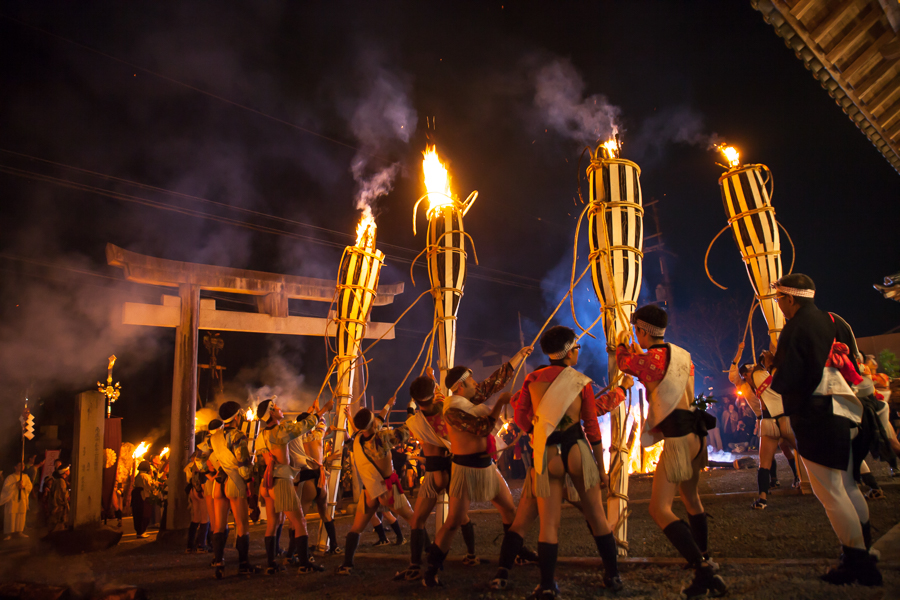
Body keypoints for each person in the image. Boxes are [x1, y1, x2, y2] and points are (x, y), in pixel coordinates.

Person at [762, 274, 880, 586]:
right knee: (849, 485)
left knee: (830, 491)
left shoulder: (795, 328)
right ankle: (865, 551)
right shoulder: (835, 320)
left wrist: (772, 364)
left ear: (790, 299)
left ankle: (857, 562)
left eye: (779, 299)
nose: (778, 304)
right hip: (850, 409)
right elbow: (855, 361)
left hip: (818, 414)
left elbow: (786, 379)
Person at [505, 326, 627, 598]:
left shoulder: (532, 379)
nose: (577, 352)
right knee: (597, 516)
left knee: (549, 524)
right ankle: (613, 575)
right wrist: (602, 469)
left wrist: (536, 431)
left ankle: (547, 585)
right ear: (569, 352)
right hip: (577, 449)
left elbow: (520, 417)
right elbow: (592, 426)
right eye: (576, 348)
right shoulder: (580, 381)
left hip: (548, 452)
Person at [617, 305, 726, 599]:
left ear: (642, 331)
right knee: (691, 499)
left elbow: (625, 363)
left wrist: (621, 343)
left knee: (659, 509)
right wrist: (634, 347)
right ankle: (704, 555)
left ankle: (703, 569)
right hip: (696, 436)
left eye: (637, 331)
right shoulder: (682, 355)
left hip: (678, 439)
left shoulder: (651, 359)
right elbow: (651, 373)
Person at [422, 345, 533, 588]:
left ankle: (517, 551)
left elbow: (493, 383)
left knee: (509, 509)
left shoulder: (467, 398)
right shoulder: (452, 409)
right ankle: (431, 570)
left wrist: (519, 356)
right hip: (465, 470)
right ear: (461, 386)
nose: (477, 384)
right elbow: (482, 428)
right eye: (472, 381)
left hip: (487, 466)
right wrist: (499, 404)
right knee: (453, 521)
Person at [393, 369, 489, 582]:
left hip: (433, 469)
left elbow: (401, 432)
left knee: (418, 520)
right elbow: (438, 392)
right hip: (453, 465)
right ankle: (471, 555)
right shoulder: (447, 408)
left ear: (417, 400)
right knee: (461, 516)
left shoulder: (415, 422)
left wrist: (412, 405)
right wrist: (433, 377)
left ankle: (414, 566)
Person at [337, 397, 415, 575]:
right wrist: (411, 409)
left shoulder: (357, 439)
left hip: (369, 491)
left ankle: (347, 565)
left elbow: (378, 419)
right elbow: (408, 430)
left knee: (356, 528)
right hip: (387, 489)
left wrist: (388, 405)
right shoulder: (382, 438)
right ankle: (427, 554)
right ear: (373, 424)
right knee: (414, 519)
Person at [256, 397, 331, 574]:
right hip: (281, 481)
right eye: (276, 407)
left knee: (272, 523)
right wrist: (323, 410)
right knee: (300, 522)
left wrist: (311, 412)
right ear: (271, 412)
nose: (280, 409)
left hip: (267, 482)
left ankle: (271, 564)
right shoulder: (281, 430)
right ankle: (304, 564)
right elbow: (304, 426)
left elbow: (300, 425)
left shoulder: (262, 435)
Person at [729, 343, 799, 509]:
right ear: (745, 375)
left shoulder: (762, 376)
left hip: (770, 419)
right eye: (749, 371)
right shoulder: (757, 378)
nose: (751, 372)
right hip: (771, 418)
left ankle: (766, 496)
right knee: (775, 455)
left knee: (776, 455)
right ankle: (774, 482)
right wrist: (740, 352)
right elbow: (733, 374)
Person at [202, 401, 259, 578]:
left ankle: (219, 563)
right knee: (242, 524)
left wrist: (209, 474)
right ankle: (243, 564)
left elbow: (198, 458)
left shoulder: (213, 437)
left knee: (219, 525)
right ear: (237, 416)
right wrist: (249, 483)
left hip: (219, 482)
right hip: (234, 481)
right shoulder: (237, 436)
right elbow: (243, 463)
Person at [1, 462, 33, 540]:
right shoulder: (10, 477)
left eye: (23, 465)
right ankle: (9, 533)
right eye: (20, 465)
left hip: (22, 499)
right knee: (11, 515)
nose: (22, 466)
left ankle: (19, 532)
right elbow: (5, 488)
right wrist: (15, 484)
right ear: (15, 467)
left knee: (21, 515)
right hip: (12, 500)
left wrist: (23, 486)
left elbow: (30, 486)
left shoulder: (25, 477)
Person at [132, 461, 154, 539]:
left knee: (138, 514)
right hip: (144, 496)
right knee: (144, 514)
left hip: (138, 496)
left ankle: (139, 531)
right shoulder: (145, 476)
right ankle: (141, 531)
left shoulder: (138, 476)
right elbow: (150, 486)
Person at [47, 464, 70, 533]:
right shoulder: (61, 481)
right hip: (59, 507)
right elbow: (59, 495)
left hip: (58, 506)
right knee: (58, 526)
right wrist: (65, 504)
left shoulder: (58, 480)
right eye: (68, 470)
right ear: (65, 472)